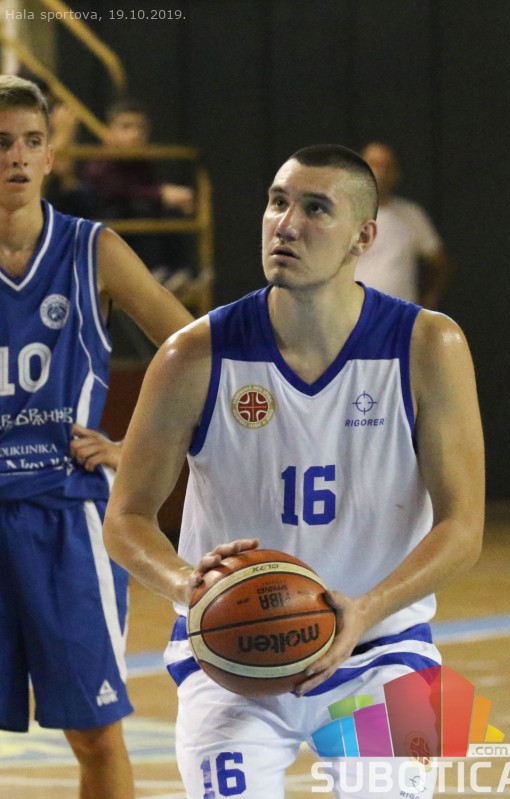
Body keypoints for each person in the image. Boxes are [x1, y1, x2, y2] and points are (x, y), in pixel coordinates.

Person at [103, 144, 485, 798]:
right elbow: (126, 518)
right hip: (231, 658)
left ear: (363, 237)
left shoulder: (429, 346)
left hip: (386, 649)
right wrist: (189, 584)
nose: (286, 224)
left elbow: (462, 527)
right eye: (277, 202)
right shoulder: (193, 355)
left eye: (315, 209)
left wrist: (364, 610)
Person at [0, 75, 193, 799]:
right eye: (1, 143)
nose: (17, 157)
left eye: (32, 141)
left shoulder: (92, 249)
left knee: (94, 733)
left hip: (68, 515)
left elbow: (192, 346)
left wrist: (136, 449)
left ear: (51, 156)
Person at [83, 98, 195, 287]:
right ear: (109, 132)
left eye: (140, 128)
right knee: (141, 210)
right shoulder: (99, 164)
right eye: (126, 127)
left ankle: (177, 273)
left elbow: (146, 189)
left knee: (168, 213)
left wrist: (169, 197)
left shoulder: (141, 162)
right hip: (111, 228)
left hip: (134, 220)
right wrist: (162, 194)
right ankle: (151, 273)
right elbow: (117, 191)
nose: (135, 134)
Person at [355, 141, 454, 309]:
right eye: (373, 164)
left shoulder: (412, 215)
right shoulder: (343, 214)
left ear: (396, 173)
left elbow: (440, 263)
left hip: (400, 315)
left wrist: (430, 298)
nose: (380, 172)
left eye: (386, 166)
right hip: (354, 315)